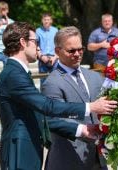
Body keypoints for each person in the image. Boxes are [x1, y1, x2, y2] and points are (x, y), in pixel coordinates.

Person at [0, 21, 117, 170]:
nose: (39, 47)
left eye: (80, 49)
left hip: (28, 149)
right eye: (35, 42)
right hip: (21, 149)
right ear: (23, 42)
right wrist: (90, 107)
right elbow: (47, 107)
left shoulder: (17, 72)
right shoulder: (14, 74)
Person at [42, 26, 107, 170]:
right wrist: (83, 129)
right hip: (68, 160)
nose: (77, 54)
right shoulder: (52, 83)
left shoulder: (95, 76)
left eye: (80, 49)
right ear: (57, 52)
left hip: (98, 158)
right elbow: (54, 120)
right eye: (71, 51)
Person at [36, 13, 59, 87]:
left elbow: (58, 45)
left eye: (48, 19)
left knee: (56, 81)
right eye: (45, 20)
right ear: (42, 21)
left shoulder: (55, 30)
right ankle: (43, 98)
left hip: (54, 58)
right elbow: (36, 46)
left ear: (51, 21)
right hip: (43, 58)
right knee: (43, 82)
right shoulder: (38, 31)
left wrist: (55, 57)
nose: (46, 21)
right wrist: (41, 56)